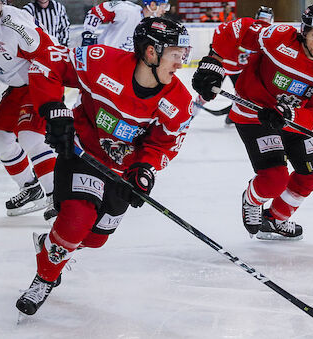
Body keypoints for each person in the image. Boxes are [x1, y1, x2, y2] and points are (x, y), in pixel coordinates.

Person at [15, 17, 194, 316]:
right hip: (82, 153)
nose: (181, 63)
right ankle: (44, 278)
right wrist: (54, 110)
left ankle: (51, 246)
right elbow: (46, 63)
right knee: (77, 218)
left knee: (95, 238)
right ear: (151, 53)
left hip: (121, 171)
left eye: (183, 55)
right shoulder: (101, 62)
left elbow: (165, 144)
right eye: (176, 54)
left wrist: (144, 169)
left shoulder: (178, 100)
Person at [192, 5, 313, 240]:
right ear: (304, 32)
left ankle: (274, 219)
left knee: (312, 174)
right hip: (254, 114)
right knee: (275, 179)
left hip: (290, 121)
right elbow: (236, 28)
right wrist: (214, 61)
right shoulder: (278, 37)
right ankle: (252, 200)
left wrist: (292, 116)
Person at [0, 0, 60, 220]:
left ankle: (58, 197)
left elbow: (48, 53)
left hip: (40, 81)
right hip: (19, 86)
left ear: (4, 3)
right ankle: (31, 188)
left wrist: (47, 93)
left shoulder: (14, 24)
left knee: (30, 137)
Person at [81, 0, 170, 52]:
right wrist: (88, 32)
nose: (165, 11)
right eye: (163, 6)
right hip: (102, 55)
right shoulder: (127, 10)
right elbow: (96, 12)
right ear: (153, 5)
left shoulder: (151, 24)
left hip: (122, 63)